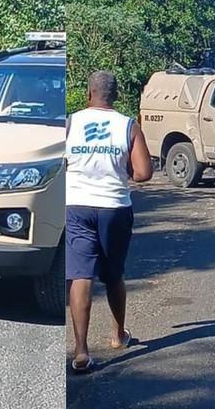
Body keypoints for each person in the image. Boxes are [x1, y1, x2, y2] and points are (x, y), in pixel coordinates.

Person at [66, 71, 153, 373]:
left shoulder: (70, 123)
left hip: (76, 206)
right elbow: (143, 173)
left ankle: (80, 350)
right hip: (114, 207)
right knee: (114, 274)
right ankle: (118, 335)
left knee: (80, 275)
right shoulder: (129, 126)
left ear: (88, 94)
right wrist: (119, 170)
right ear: (115, 96)